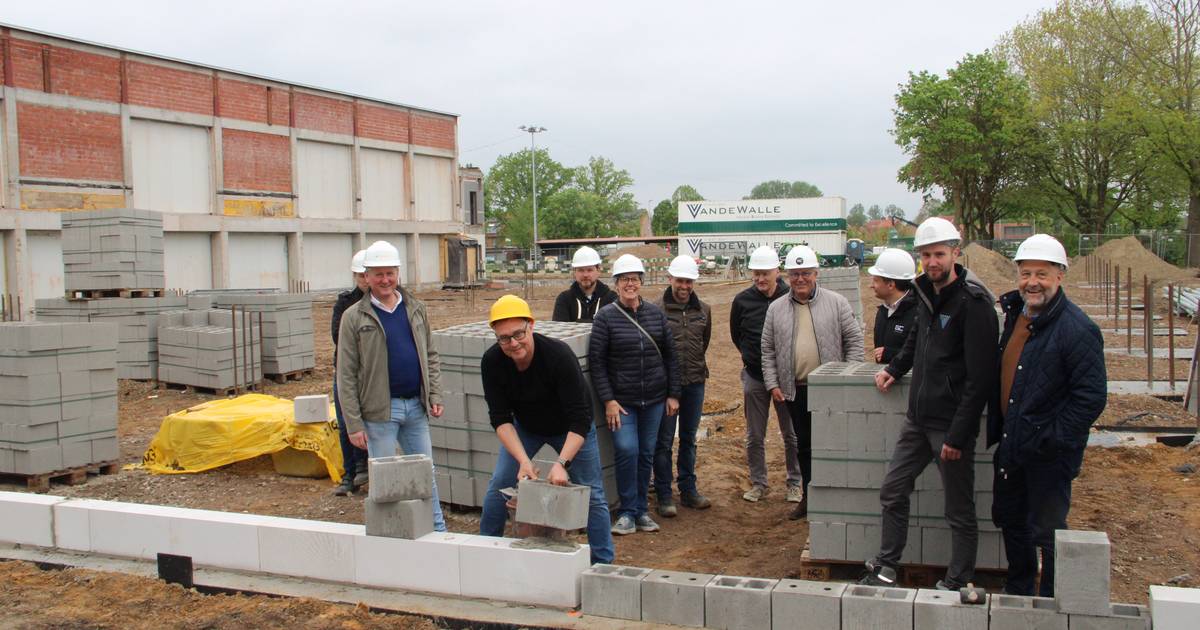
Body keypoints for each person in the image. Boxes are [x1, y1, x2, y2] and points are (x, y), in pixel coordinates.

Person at [862, 217, 998, 590]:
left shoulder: (974, 304)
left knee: (958, 508)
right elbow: (917, 339)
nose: (932, 262)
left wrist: (958, 434)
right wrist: (895, 369)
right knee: (893, 489)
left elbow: (981, 378)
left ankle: (957, 579)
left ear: (955, 252)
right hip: (918, 420)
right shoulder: (925, 293)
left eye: (939, 254)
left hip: (950, 425)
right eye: (926, 255)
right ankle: (887, 566)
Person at [989, 234, 1106, 596]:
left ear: (1060, 275)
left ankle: (1053, 598)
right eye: (1026, 274)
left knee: (1047, 531)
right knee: (1011, 519)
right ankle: (1020, 589)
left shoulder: (1077, 329)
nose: (1032, 282)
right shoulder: (1017, 316)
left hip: (1049, 454)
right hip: (1013, 442)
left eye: (1042, 274)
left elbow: (1090, 397)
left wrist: (1050, 438)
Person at [478, 295, 615, 564]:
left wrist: (562, 463)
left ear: (531, 325)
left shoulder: (558, 356)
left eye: (518, 334)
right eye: (504, 338)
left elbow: (580, 419)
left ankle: (603, 564)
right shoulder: (492, 361)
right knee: (500, 485)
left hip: (571, 428)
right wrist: (523, 461)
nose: (513, 343)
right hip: (527, 427)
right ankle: (484, 552)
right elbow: (500, 419)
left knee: (592, 493)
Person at [337, 240, 447, 532]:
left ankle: (437, 530)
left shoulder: (416, 308)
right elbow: (346, 374)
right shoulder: (354, 317)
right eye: (378, 274)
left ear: (398, 273)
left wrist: (434, 394)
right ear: (367, 276)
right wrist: (353, 423)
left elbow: (431, 355)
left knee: (426, 473)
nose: (385, 280)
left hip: (416, 408)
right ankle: (389, 535)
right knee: (386, 481)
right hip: (379, 413)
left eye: (390, 273)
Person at [761, 245, 864, 520]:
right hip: (796, 390)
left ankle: (836, 497)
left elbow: (854, 342)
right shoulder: (776, 309)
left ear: (816, 274)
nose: (800, 279)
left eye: (806, 273)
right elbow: (767, 350)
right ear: (787, 276)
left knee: (833, 444)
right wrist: (773, 384)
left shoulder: (837, 303)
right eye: (795, 274)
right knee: (804, 445)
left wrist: (848, 378)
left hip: (830, 390)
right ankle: (810, 497)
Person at [590, 253, 680, 536]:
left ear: (641, 282)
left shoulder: (655, 314)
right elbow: (597, 363)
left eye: (635, 279)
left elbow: (671, 356)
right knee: (627, 450)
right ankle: (627, 512)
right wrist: (609, 400)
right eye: (625, 279)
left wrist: (673, 394)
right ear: (616, 284)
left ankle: (641, 511)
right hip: (623, 403)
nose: (630, 284)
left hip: (654, 400)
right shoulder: (605, 318)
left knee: (646, 453)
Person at [729, 245, 799, 504]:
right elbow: (737, 335)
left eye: (765, 274)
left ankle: (795, 482)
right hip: (755, 377)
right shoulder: (742, 301)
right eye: (756, 274)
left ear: (776, 272)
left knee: (791, 434)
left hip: (786, 378)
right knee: (755, 435)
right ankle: (759, 483)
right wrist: (750, 358)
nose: (760, 279)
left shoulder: (791, 298)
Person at [651, 255, 713, 517]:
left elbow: (703, 344)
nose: (684, 286)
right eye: (680, 281)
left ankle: (688, 490)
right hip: (666, 388)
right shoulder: (656, 310)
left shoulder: (704, 310)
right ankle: (664, 494)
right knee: (664, 441)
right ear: (670, 279)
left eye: (689, 281)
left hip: (695, 383)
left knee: (688, 439)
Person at [330, 249, 370, 496]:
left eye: (367, 275)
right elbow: (338, 336)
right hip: (346, 371)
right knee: (346, 424)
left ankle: (368, 467)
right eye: (361, 275)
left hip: (373, 374)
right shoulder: (345, 303)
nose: (365, 280)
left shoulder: (385, 301)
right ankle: (350, 474)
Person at [867, 248, 918, 364]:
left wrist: (890, 354)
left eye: (876, 281)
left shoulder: (918, 313)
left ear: (891, 285)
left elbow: (924, 354)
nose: (871, 285)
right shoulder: (883, 311)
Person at [553, 246, 616, 323]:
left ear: (598, 271)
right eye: (581, 270)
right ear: (574, 272)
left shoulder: (611, 299)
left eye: (589, 270)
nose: (585, 275)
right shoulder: (564, 299)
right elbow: (560, 329)